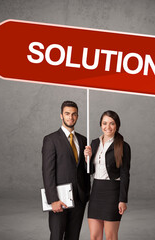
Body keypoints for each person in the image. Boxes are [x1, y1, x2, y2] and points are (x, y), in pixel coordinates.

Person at [42, 100, 90, 240]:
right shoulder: (51, 140)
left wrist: (89, 160)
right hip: (60, 199)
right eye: (67, 114)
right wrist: (53, 199)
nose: (71, 117)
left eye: (74, 114)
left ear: (78, 116)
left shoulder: (82, 140)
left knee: (73, 236)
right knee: (57, 236)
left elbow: (85, 170)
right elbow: (47, 171)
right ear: (61, 116)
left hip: (79, 199)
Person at [84, 110, 131, 240]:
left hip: (113, 192)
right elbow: (90, 171)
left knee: (110, 237)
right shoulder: (93, 143)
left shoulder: (123, 146)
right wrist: (87, 159)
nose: (108, 127)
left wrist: (122, 199)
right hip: (96, 190)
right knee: (94, 236)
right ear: (100, 125)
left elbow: (125, 174)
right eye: (105, 123)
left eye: (112, 123)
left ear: (117, 126)